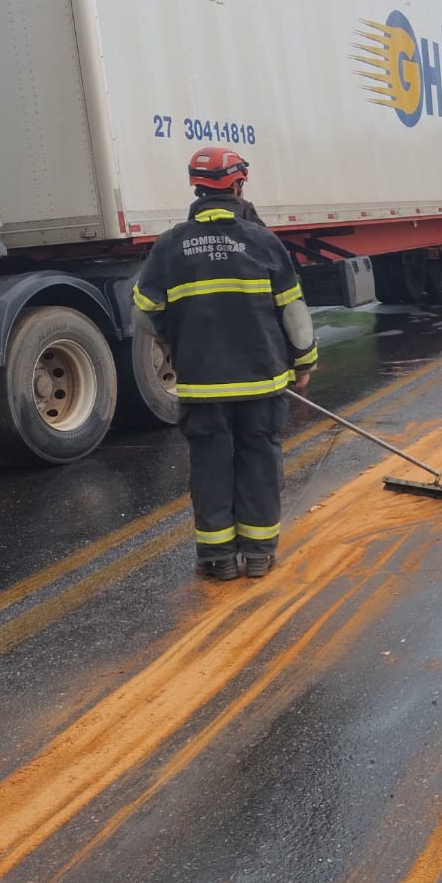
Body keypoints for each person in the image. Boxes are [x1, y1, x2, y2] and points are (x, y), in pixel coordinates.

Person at [132, 147, 318, 580]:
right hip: (261, 380)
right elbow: (294, 311)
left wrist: (172, 334)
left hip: (202, 384)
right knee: (259, 457)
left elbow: (142, 314)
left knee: (211, 463)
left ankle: (217, 559)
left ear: (197, 187)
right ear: (238, 186)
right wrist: (304, 361)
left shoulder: (170, 245)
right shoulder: (263, 241)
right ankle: (257, 554)